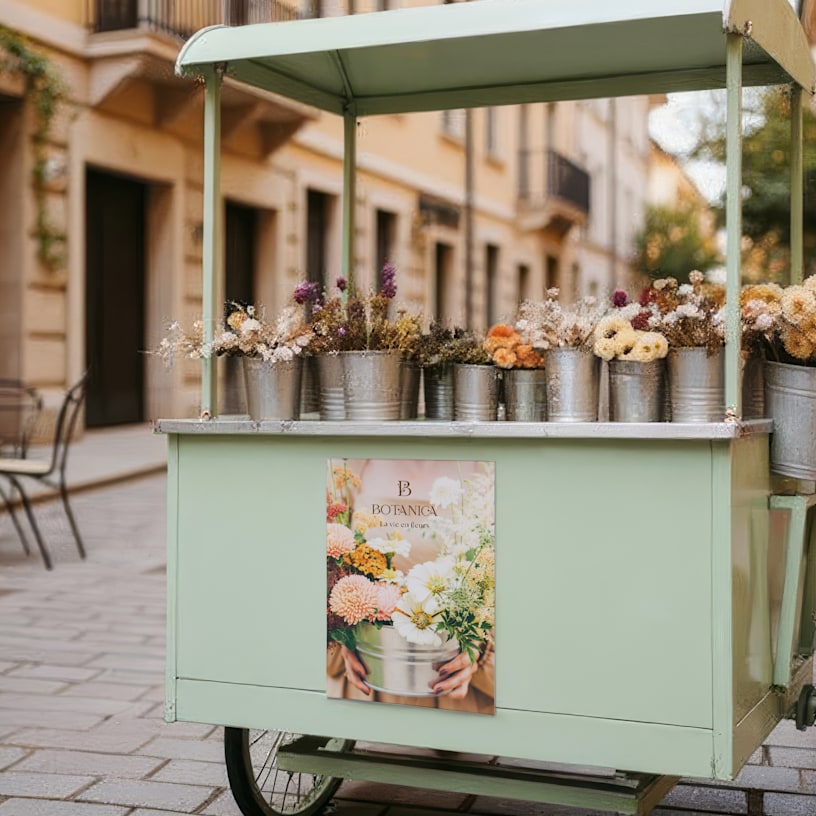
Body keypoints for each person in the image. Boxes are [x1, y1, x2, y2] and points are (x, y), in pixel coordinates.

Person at [326, 457, 495, 714]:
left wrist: (480, 651)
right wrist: (341, 634)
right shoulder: (349, 462)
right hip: (368, 690)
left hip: (458, 699)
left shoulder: (488, 469)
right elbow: (323, 567)